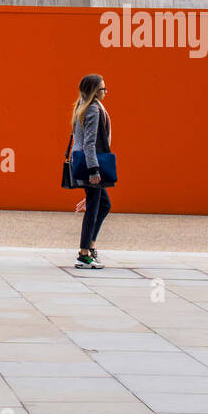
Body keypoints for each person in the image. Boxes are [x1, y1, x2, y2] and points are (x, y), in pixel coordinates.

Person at [71, 72, 112, 269]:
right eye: (104, 88)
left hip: (85, 161)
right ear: (96, 91)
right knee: (94, 209)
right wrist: (94, 170)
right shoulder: (93, 109)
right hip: (91, 164)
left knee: (103, 205)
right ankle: (84, 254)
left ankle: (91, 247)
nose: (107, 92)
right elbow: (89, 143)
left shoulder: (82, 105)